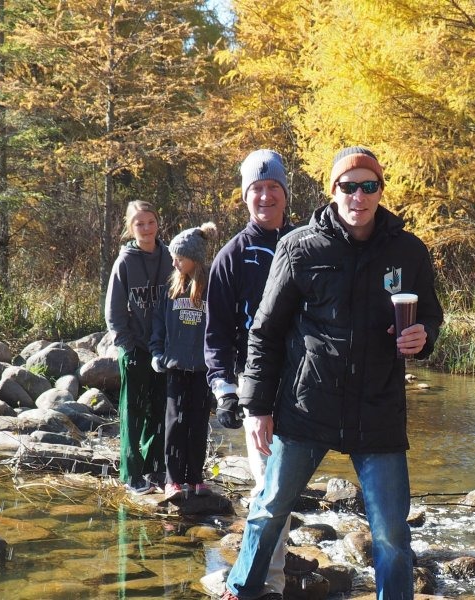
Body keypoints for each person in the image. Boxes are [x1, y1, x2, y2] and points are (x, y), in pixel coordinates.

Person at [222, 147, 444, 600]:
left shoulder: (408, 250)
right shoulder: (299, 246)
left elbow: (433, 318)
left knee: (390, 533)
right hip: (307, 406)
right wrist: (257, 407)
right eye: (348, 186)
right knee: (269, 509)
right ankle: (240, 589)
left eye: (369, 186)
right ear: (332, 191)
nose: (358, 196)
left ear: (380, 191)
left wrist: (424, 337)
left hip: (378, 409)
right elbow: (265, 332)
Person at [204, 149, 296, 597]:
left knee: (285, 488)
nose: (265, 197)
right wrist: (224, 390)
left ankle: (266, 568)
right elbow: (216, 333)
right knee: (269, 486)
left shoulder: (303, 243)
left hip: (303, 385)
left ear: (284, 194)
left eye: (273, 188)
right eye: (256, 190)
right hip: (255, 387)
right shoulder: (230, 257)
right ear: (245, 198)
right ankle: (268, 583)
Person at [105, 200, 173, 494]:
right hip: (134, 348)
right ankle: (131, 473)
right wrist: (127, 345)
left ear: (158, 223)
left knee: (159, 410)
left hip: (163, 348)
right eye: (139, 224)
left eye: (150, 222)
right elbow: (114, 311)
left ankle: (154, 468)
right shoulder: (125, 262)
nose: (146, 229)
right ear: (130, 229)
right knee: (133, 411)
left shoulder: (170, 256)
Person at [150, 221, 218, 499]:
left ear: (196, 259)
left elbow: (221, 326)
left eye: (180, 257)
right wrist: (157, 353)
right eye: (173, 257)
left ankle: (195, 477)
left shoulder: (213, 287)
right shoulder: (171, 288)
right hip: (175, 367)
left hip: (203, 369)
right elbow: (159, 324)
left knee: (198, 423)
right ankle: (173, 479)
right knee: (175, 423)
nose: (175, 262)